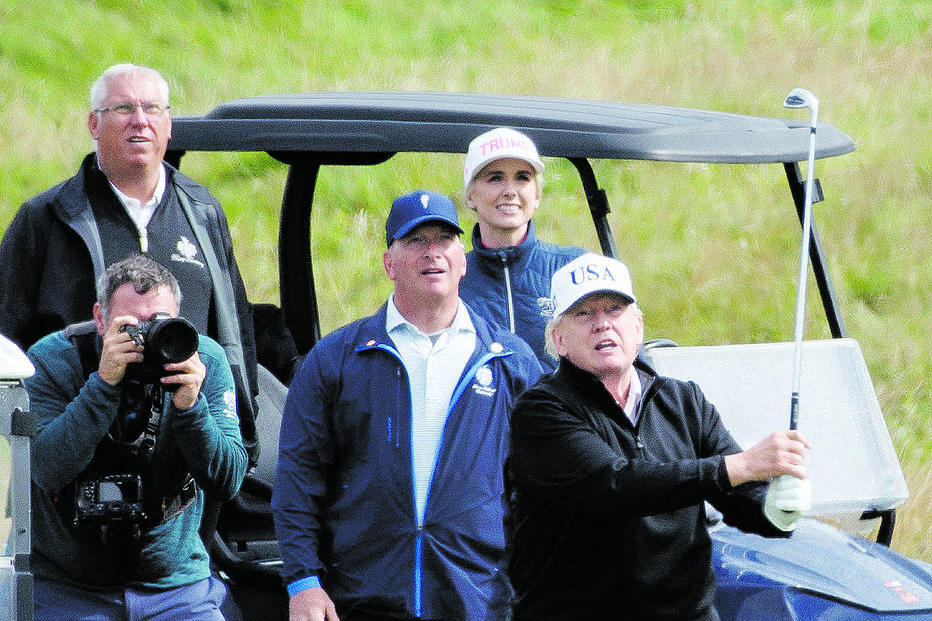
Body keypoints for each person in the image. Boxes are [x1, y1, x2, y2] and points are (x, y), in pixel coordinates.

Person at [272, 190, 543, 621]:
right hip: (364, 598)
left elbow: (539, 490)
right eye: (415, 241)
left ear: (463, 260)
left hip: (479, 598)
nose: (432, 253)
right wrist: (304, 580)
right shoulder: (336, 358)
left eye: (444, 239)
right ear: (389, 264)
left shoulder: (511, 360)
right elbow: (299, 477)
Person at [507, 252, 813, 621]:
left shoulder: (684, 401)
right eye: (583, 314)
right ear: (559, 340)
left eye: (614, 310)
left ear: (638, 328)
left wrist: (775, 509)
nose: (602, 324)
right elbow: (616, 486)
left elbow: (737, 495)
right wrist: (743, 465)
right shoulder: (540, 411)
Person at [0, 63, 260, 464]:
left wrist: (243, 424)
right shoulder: (47, 218)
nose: (140, 121)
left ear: (169, 124)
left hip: (187, 450)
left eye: (152, 108)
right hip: (74, 453)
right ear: (93, 124)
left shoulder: (203, 212)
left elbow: (234, 331)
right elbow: (6, 339)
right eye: (123, 109)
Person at [26, 255, 248, 620]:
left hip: (174, 585)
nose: (147, 339)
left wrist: (191, 407)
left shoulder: (203, 359)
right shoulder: (53, 360)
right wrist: (103, 384)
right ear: (99, 319)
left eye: (159, 322)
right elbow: (46, 469)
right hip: (70, 586)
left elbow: (229, 480)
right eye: (132, 326)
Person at [458, 127, 586, 372]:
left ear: (536, 195)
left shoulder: (576, 268)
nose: (510, 191)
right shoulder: (450, 278)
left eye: (522, 178)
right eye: (495, 178)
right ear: (471, 195)